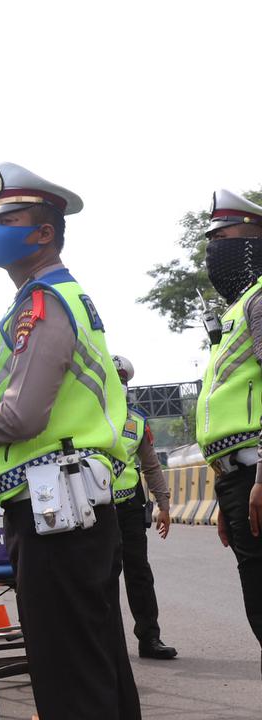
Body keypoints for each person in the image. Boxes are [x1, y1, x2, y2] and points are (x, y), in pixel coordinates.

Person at [0, 162, 139, 720]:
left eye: (11, 217)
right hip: (69, 506)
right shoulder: (62, 299)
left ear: (44, 233)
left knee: (68, 674)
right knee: (96, 662)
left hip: (54, 512)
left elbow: (21, 418)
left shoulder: (42, 302)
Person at [194, 188, 262, 671]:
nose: (214, 247)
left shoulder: (259, 301)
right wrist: (224, 489)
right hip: (238, 478)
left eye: (224, 235)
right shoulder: (240, 309)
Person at [110, 355, 177, 660]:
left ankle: (149, 638)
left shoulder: (136, 420)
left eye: (123, 381)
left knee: (139, 573)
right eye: (115, 380)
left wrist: (163, 505)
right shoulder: (88, 416)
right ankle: (106, 647)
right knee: (102, 577)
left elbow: (151, 466)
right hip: (96, 510)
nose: (120, 386)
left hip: (130, 507)